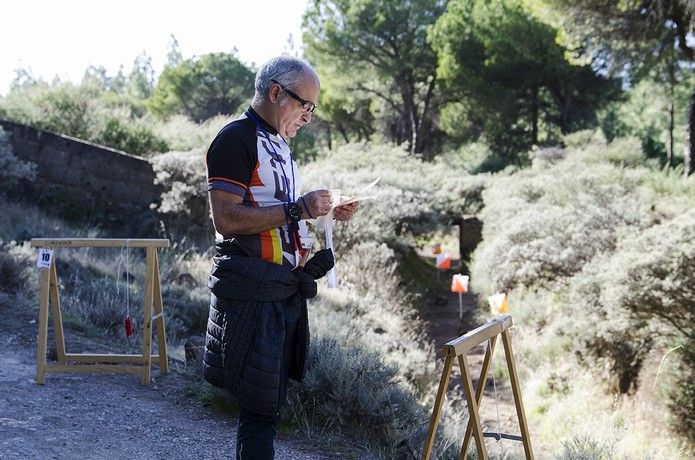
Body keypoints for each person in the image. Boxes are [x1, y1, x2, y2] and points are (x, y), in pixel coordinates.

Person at [202, 56, 358, 459]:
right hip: (254, 291)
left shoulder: (280, 145)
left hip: (280, 290)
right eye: (305, 105)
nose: (308, 116)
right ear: (276, 93)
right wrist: (298, 209)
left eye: (313, 109)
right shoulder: (235, 138)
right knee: (259, 411)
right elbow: (227, 218)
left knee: (267, 408)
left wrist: (324, 208)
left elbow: (279, 213)